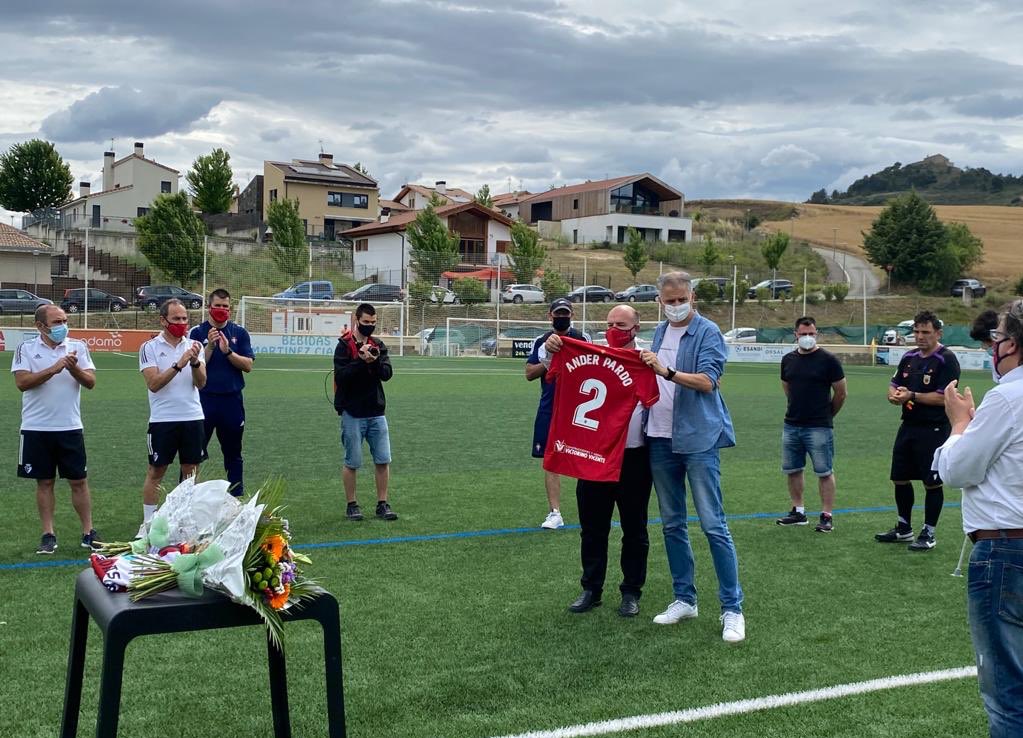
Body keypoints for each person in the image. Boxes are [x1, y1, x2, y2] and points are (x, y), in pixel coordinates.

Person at [640, 271, 746, 642]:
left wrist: (666, 371)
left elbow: (708, 380)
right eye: (668, 301)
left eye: (680, 298)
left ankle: (732, 609)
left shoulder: (708, 332)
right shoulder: (658, 332)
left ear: (693, 296)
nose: (674, 306)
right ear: (659, 301)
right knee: (672, 524)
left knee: (713, 525)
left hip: (699, 439)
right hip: (659, 438)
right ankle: (685, 598)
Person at [934, 301, 1023, 737]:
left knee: (1007, 693)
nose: (994, 348)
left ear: (1014, 345)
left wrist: (959, 426)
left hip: (1007, 550)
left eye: (998, 338)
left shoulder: (1007, 397)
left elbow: (956, 470)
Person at [545, 305, 657, 616]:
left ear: (635, 328)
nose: (613, 329)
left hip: (634, 456)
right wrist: (552, 346)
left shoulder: (646, 361)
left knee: (635, 528)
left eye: (620, 324)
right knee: (593, 528)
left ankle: (631, 591)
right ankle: (591, 588)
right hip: (593, 455)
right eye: (609, 323)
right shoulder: (588, 353)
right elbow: (551, 366)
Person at [12, 305, 99, 554]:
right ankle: (48, 534)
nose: (63, 325)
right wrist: (55, 368)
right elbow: (22, 382)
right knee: (45, 482)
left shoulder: (78, 347)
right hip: (36, 427)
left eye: (64, 320)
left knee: (79, 481)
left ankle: (88, 532)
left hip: (70, 426)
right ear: (40, 326)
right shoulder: (26, 349)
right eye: (57, 321)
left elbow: (91, 382)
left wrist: (73, 367)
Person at [875, 310, 960, 551]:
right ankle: (904, 528)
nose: (920, 336)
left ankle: (929, 533)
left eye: (926, 332)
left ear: (938, 333)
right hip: (908, 425)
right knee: (899, 477)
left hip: (934, 428)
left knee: (931, 483)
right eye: (916, 331)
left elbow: (945, 397)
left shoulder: (946, 359)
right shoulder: (909, 357)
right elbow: (893, 384)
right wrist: (893, 396)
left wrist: (912, 395)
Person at [139, 299, 207, 527]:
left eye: (185, 318)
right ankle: (148, 522)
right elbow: (154, 384)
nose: (181, 323)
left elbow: (202, 383)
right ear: (163, 321)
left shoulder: (195, 345)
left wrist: (196, 362)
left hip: (193, 418)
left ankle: (182, 518)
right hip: (163, 420)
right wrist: (179, 364)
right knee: (156, 471)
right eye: (176, 319)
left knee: (190, 471)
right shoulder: (149, 348)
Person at [776, 316, 847, 532]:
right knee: (793, 469)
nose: (807, 337)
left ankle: (826, 515)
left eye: (811, 334)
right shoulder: (788, 360)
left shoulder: (828, 360)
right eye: (803, 334)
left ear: (816, 334)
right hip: (792, 424)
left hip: (819, 426)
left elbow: (841, 393)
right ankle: (798, 511)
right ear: (795, 334)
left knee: (824, 471)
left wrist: (827, 416)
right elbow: (787, 387)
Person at [526, 297, 588, 529]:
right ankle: (555, 512)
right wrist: (549, 359)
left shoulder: (582, 338)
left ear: (572, 315)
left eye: (566, 313)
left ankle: (590, 508)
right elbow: (530, 373)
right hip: (550, 406)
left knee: (586, 456)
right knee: (551, 460)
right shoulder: (541, 341)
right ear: (550, 316)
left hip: (578, 409)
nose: (562, 317)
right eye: (558, 313)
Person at [334, 303, 397, 521]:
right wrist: (359, 361)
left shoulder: (377, 345)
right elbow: (341, 377)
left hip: (376, 412)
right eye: (366, 322)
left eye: (373, 322)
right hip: (352, 413)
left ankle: (383, 503)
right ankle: (352, 504)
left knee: (383, 460)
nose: (369, 326)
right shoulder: (344, 346)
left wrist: (375, 360)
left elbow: (387, 374)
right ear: (356, 319)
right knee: (352, 461)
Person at [189, 289, 254, 496]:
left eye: (225, 306)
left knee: (233, 453)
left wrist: (227, 351)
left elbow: (248, 366)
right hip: (203, 401)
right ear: (209, 307)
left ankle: (236, 497)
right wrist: (209, 346)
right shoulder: (197, 332)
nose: (221, 310)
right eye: (217, 306)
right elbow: (196, 365)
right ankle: (187, 499)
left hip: (231, 402)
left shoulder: (239, 333)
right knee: (194, 455)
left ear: (230, 308)